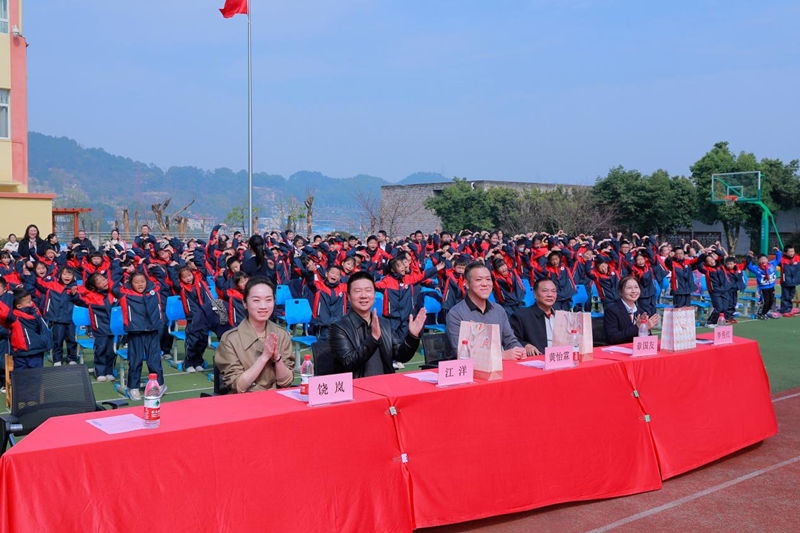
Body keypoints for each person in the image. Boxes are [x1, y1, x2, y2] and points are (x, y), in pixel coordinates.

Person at [329, 271, 426, 378]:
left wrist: (412, 336)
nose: (364, 295)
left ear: (374, 295)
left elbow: (401, 355)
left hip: (385, 386)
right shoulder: (339, 327)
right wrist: (373, 339)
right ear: (348, 297)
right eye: (357, 291)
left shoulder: (384, 323)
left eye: (368, 290)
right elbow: (348, 362)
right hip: (357, 389)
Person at [215, 277, 295, 393]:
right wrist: (264, 357)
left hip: (277, 400)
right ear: (245, 303)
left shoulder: (281, 335)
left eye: (268, 300)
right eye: (256, 300)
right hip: (246, 404)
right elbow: (238, 387)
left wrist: (277, 358)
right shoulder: (230, 340)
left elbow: (286, 382)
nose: (263, 306)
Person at [444, 261, 526, 360]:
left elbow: (510, 341)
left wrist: (520, 351)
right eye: (478, 279)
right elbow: (462, 353)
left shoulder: (499, 310)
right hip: (467, 371)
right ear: (467, 284)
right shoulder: (456, 314)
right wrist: (500, 356)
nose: (485, 284)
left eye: (488, 279)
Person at [603, 276, 660, 345]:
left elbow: (645, 341)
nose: (634, 291)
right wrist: (637, 327)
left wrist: (646, 329)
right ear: (620, 292)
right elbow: (613, 338)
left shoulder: (641, 311)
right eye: (629, 288)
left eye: (636, 287)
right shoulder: (612, 310)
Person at [509, 278, 558, 356]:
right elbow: (511, 341)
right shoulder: (521, 316)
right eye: (545, 291)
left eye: (553, 291)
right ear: (535, 294)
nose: (550, 295)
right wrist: (525, 345)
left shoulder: (561, 315)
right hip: (537, 360)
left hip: (561, 359)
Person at [747, 248, 782, 319]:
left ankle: (764, 313)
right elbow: (749, 267)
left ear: (767, 259)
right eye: (761, 259)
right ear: (758, 261)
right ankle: (761, 313)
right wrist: (749, 257)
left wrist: (777, 252)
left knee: (771, 301)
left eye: (764, 259)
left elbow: (778, 259)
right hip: (763, 288)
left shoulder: (772, 264)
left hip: (771, 286)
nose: (763, 261)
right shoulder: (756, 268)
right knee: (765, 301)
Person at [778, 245, 799, 316]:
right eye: (790, 251)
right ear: (785, 252)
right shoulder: (782, 260)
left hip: (794, 281)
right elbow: (775, 262)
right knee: (785, 296)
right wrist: (778, 253)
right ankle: (784, 310)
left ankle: (788, 309)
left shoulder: (798, 258)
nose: (792, 253)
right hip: (785, 281)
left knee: (791, 296)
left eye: (793, 251)